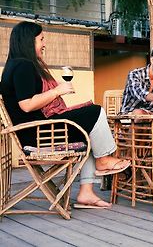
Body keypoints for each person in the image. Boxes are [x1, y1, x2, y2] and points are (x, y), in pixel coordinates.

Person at [0, 21, 130, 209]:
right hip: (38, 134)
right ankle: (103, 159)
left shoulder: (13, 66)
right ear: (29, 41)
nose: (44, 44)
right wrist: (57, 91)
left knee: (89, 130)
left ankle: (86, 192)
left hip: (35, 131)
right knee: (95, 112)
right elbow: (27, 105)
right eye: (41, 39)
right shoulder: (23, 66)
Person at [120, 44, 153, 114]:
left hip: (152, 120)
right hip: (128, 119)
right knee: (138, 113)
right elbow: (138, 92)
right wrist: (152, 97)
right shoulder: (135, 74)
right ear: (152, 60)